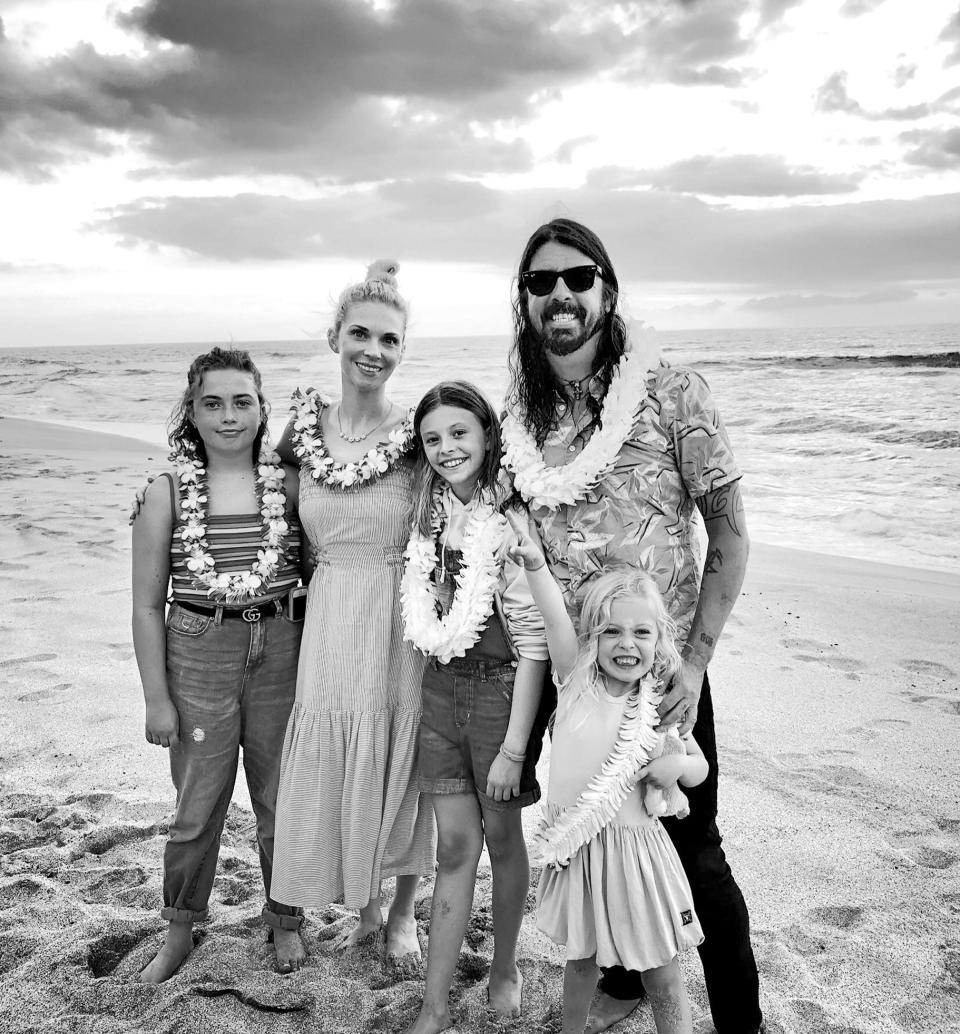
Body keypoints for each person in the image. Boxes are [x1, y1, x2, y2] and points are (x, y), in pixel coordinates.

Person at [501, 218, 764, 1034]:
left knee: (692, 847)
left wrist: (694, 663)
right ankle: (617, 983)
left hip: (662, 670)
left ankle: (741, 1021)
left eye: (577, 278)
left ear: (607, 289)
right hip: (571, 673)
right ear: (526, 302)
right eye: (540, 283)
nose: (561, 296)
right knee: (588, 831)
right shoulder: (520, 419)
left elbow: (730, 532)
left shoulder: (673, 392)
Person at [269, 261, 434, 975]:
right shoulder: (301, 431)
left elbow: (464, 505)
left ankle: (399, 912)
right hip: (331, 613)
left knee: (402, 755)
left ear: (403, 351)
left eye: (389, 339)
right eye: (361, 333)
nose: (374, 349)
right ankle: (361, 904)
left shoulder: (418, 433)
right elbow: (267, 508)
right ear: (336, 338)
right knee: (338, 747)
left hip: (400, 616)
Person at [131, 347, 306, 982]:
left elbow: (323, 568)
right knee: (198, 802)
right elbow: (148, 605)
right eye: (213, 403)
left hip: (280, 643)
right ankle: (180, 928)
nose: (229, 415)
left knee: (280, 797)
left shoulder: (287, 487)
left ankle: (284, 918)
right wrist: (157, 697)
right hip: (199, 646)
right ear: (192, 413)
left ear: (262, 410)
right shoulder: (165, 492)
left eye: (242, 402)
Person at [509, 519, 708, 1034]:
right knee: (581, 964)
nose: (627, 644)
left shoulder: (658, 704)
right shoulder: (576, 684)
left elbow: (698, 768)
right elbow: (553, 618)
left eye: (642, 632)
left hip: (639, 856)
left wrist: (675, 765)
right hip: (582, 851)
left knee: (663, 973)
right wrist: (534, 565)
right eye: (611, 631)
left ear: (660, 639)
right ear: (591, 638)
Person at [399, 382, 548, 1032]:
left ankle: (504, 965)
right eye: (433, 438)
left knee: (501, 836)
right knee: (454, 845)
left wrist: (516, 747)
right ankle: (433, 1003)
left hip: (499, 693)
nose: (446, 448)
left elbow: (536, 647)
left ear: (487, 435)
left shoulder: (511, 519)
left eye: (459, 433)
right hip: (438, 690)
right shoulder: (427, 515)